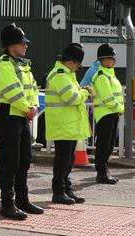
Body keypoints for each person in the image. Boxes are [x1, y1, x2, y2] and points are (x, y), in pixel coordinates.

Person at [0, 23, 44, 220]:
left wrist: (35, 105)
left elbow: (33, 89)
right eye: (23, 42)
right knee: (10, 161)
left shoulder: (22, 65)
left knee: (24, 159)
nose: (26, 46)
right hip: (9, 114)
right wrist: (28, 108)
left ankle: (22, 200)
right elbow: (13, 92)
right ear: (12, 44)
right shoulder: (3, 64)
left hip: (21, 114)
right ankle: (7, 204)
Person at [45, 43, 91, 205]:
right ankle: (58, 192)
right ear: (70, 61)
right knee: (63, 160)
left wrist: (81, 91)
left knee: (68, 160)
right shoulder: (59, 75)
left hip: (68, 126)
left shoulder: (67, 75)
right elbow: (72, 98)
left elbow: (73, 95)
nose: (78, 68)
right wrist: (85, 92)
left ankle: (67, 190)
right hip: (62, 125)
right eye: (78, 64)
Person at [91, 44, 124, 184]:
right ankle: (101, 174)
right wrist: (120, 108)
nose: (114, 60)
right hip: (106, 114)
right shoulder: (102, 76)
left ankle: (104, 172)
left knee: (109, 145)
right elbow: (108, 97)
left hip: (112, 114)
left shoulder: (110, 75)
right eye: (111, 58)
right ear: (103, 60)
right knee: (104, 145)